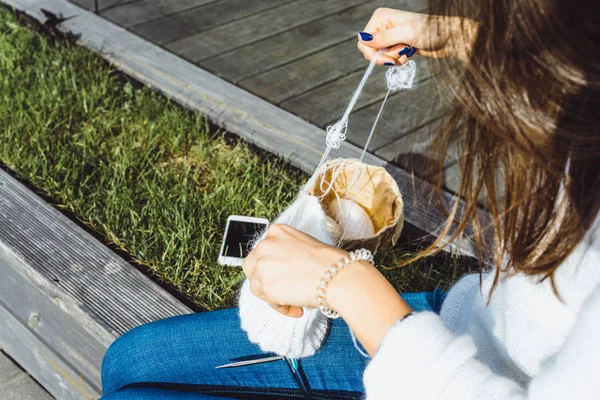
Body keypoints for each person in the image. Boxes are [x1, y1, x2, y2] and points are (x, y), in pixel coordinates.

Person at [101, 2, 599, 399]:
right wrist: (463, 34)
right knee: (126, 363)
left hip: (450, 373)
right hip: (467, 326)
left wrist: (348, 284)